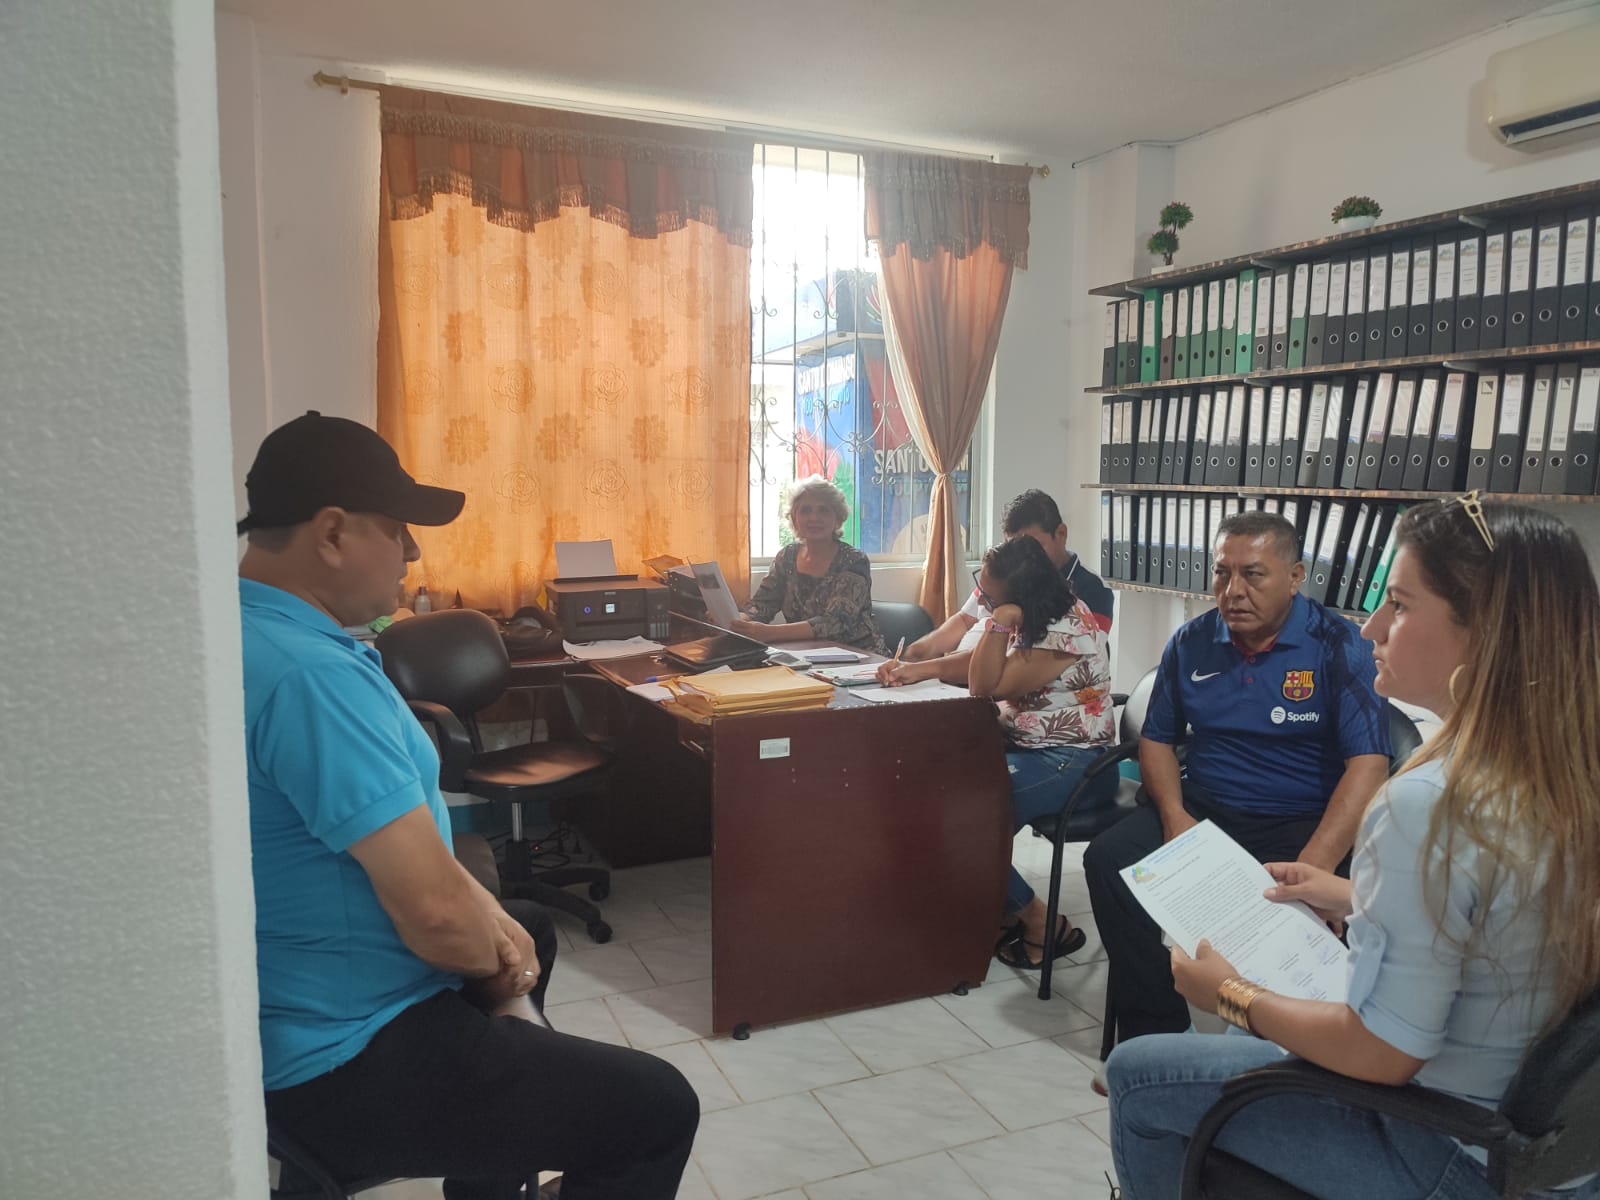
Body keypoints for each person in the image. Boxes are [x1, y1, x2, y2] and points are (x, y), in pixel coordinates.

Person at [238, 412, 698, 1200]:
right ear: (333, 533)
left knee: (531, 924)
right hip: (343, 1053)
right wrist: (504, 978)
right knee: (657, 1107)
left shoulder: (250, 629)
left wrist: (503, 944)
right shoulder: (314, 679)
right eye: (398, 531)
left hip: (302, 998)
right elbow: (436, 919)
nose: (413, 555)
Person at [1106, 497, 1600, 1200]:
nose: (1372, 628)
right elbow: (1501, 914)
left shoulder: (1427, 802)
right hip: (1546, 1150)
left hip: (1444, 1149)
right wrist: (1353, 894)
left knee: (1138, 1076)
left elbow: (1384, 1053)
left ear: (1484, 629)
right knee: (1249, 1037)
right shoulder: (1561, 765)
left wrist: (1231, 995)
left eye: (1398, 604)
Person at [1085, 511, 1390, 1050]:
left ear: (1295, 577)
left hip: (1301, 820)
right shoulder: (1192, 641)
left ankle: (1284, 1045)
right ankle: (1155, 1034)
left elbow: (1368, 765)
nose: (1233, 591)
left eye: (1253, 575)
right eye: (1222, 573)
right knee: (1109, 860)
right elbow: (1156, 739)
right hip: (1206, 809)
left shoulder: (1339, 646)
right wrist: (1175, 819)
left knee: (1309, 919)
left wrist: (1315, 865)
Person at [880, 536, 1116, 968]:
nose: (982, 600)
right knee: (928, 794)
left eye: (990, 596)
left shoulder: (1066, 628)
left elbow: (984, 684)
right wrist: (918, 669)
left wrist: (999, 620)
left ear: (1020, 597)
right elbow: (981, 663)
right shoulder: (1037, 614)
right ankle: (997, 907)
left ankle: (1042, 923)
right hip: (1027, 750)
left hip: (1074, 763)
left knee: (960, 820)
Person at [896, 489, 1114, 670]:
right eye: (1014, 546)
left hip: (1001, 685)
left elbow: (1021, 662)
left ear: (1061, 534)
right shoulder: (1008, 573)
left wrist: (927, 669)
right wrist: (915, 654)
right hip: (959, 678)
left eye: (1033, 546)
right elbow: (964, 620)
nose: (1023, 556)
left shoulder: (1092, 590)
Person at [731, 474, 886, 652]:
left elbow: (835, 622)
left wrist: (769, 633)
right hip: (804, 654)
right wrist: (741, 620)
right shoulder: (787, 556)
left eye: (823, 510)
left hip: (860, 656)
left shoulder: (854, 561)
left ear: (838, 519)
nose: (814, 518)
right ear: (794, 519)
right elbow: (763, 604)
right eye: (805, 511)